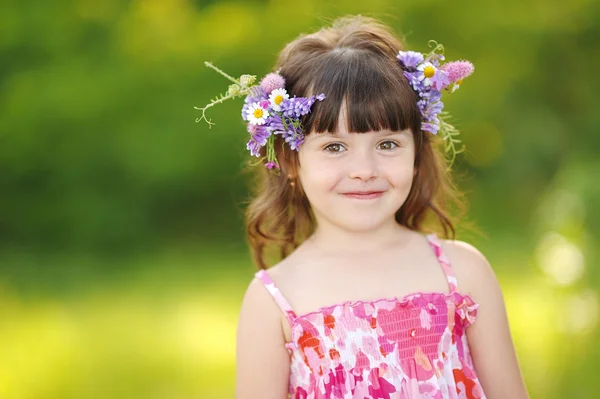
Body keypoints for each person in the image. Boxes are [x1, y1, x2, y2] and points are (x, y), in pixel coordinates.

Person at [198, 14, 529, 399]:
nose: (363, 171)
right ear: (291, 161)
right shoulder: (274, 301)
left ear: (417, 152)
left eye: (387, 144)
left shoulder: (463, 273)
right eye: (334, 147)